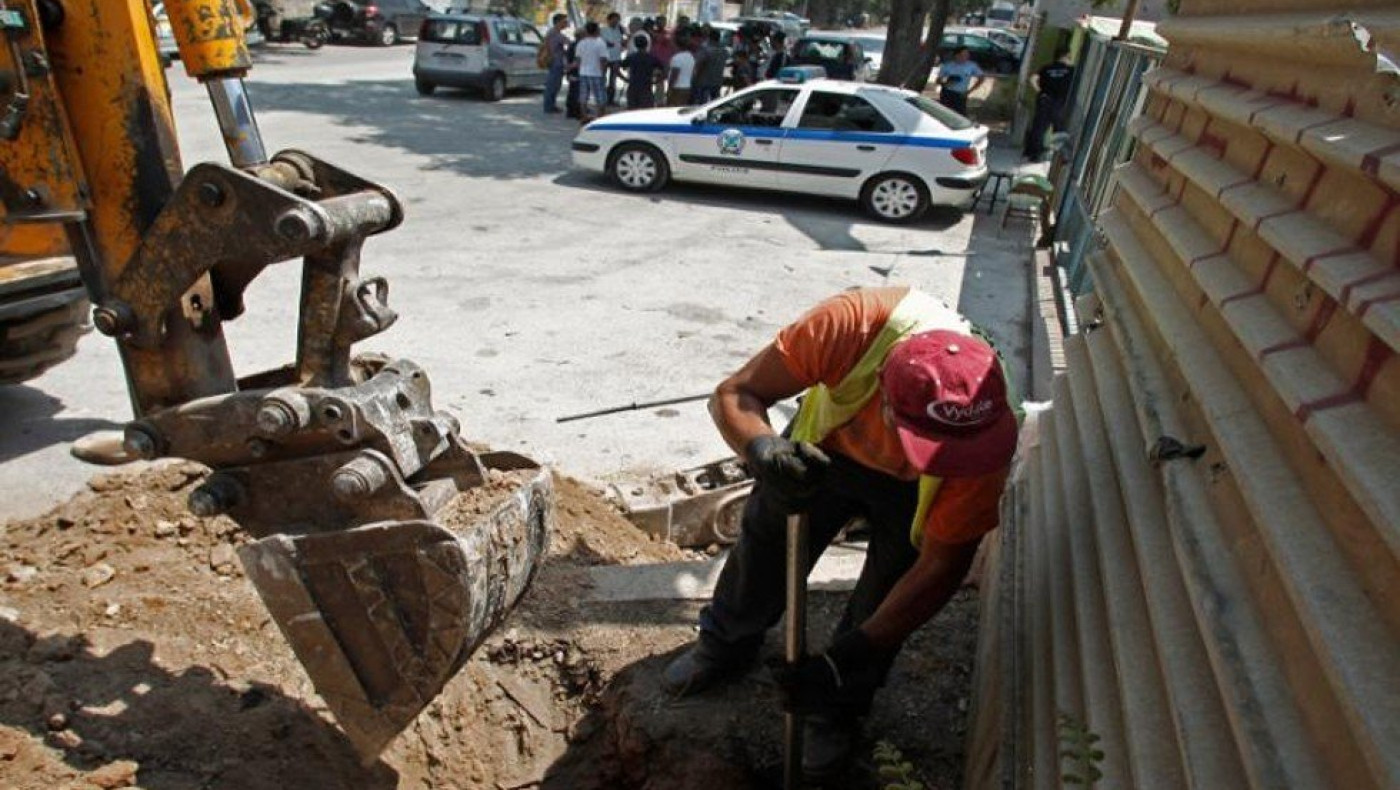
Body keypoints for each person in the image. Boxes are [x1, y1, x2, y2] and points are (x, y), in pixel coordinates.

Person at [661, 287, 1018, 781]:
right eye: (927, 446)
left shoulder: (982, 443)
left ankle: (837, 706)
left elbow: (941, 566)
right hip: (826, 452)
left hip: (915, 495)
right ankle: (725, 644)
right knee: (767, 540)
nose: (938, 458)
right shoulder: (850, 327)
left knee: (891, 584)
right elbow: (734, 393)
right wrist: (764, 452)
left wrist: (853, 655)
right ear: (886, 399)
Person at [1023, 48, 1075, 160]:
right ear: (1065, 56)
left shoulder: (1046, 68)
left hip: (1045, 100)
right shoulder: (1071, 70)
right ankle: (1061, 157)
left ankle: (1034, 155)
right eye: (1069, 57)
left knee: (1039, 128)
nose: (1070, 59)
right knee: (1059, 129)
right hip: (1059, 102)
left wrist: (1040, 91)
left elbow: (1032, 79)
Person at [574, 21, 609, 120]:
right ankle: (600, 116)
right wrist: (603, 72)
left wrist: (579, 69)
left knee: (583, 96)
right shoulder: (600, 43)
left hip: (583, 72)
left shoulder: (581, 43)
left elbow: (578, 59)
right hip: (596, 72)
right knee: (600, 96)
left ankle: (583, 116)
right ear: (597, 30)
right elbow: (603, 59)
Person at [936, 47, 984, 116]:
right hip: (947, 93)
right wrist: (945, 83)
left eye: (967, 55)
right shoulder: (948, 65)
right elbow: (938, 80)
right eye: (963, 55)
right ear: (957, 55)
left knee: (960, 115)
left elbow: (981, 78)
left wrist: (970, 91)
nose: (966, 57)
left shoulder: (971, 66)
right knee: (944, 114)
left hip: (961, 94)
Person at [622, 34, 662, 109]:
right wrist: (657, 80)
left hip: (633, 87)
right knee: (645, 113)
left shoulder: (631, 57)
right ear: (647, 44)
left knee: (632, 112)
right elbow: (663, 69)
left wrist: (625, 79)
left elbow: (617, 67)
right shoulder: (652, 58)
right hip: (646, 88)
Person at [542, 14, 569, 114]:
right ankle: (549, 106)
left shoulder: (555, 33)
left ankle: (551, 105)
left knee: (555, 84)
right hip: (555, 61)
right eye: (564, 21)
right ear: (558, 22)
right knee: (553, 84)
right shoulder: (555, 34)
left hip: (557, 61)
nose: (566, 24)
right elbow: (567, 42)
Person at [692, 27, 727, 104]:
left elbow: (700, 63)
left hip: (704, 81)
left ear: (709, 37)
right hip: (717, 80)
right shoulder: (724, 50)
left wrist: (695, 77)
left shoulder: (705, 49)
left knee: (702, 103)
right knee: (715, 102)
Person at [601, 12, 626, 106]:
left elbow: (623, 41)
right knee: (603, 78)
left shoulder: (619, 31)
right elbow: (604, 42)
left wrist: (623, 31)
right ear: (609, 20)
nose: (615, 22)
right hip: (605, 57)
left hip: (616, 57)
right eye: (614, 20)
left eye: (617, 20)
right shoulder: (603, 30)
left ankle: (610, 99)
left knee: (613, 79)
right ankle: (602, 99)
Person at [667, 32, 697, 106]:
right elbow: (694, 73)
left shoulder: (677, 58)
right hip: (687, 86)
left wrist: (670, 88)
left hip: (677, 87)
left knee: (673, 108)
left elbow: (675, 74)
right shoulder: (691, 57)